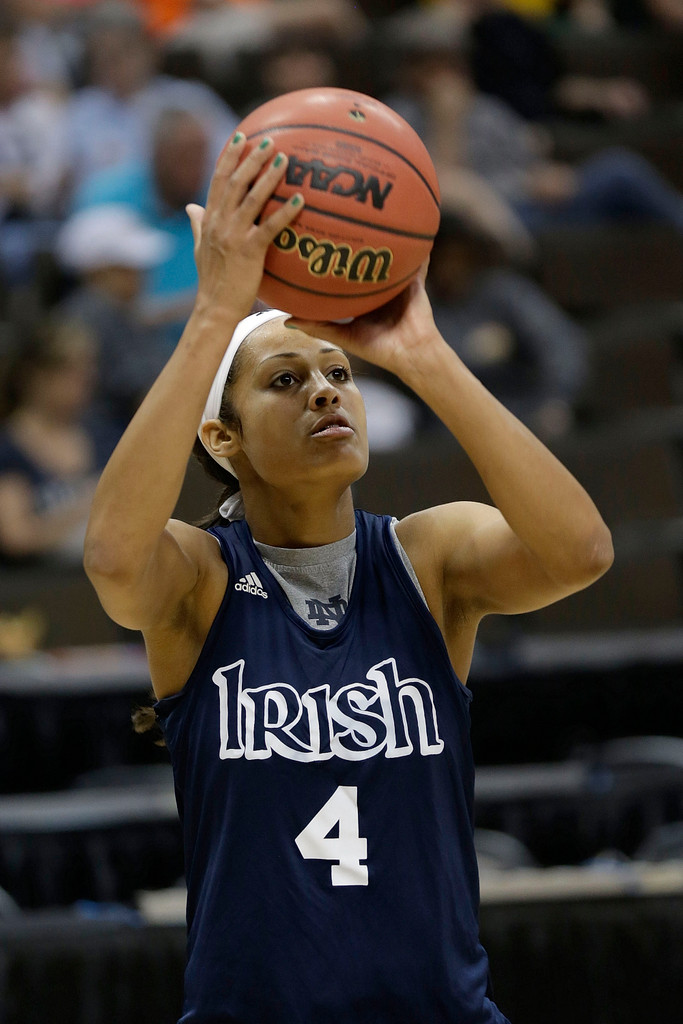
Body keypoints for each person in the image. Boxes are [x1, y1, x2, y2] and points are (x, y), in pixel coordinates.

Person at [83, 133, 613, 1023]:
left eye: (338, 373)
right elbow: (110, 560)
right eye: (285, 381)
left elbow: (580, 554)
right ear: (223, 439)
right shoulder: (202, 581)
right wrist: (215, 314)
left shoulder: (428, 556)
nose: (326, 391)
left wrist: (423, 355)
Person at [0, 315, 121, 565]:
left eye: (88, 367)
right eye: (70, 370)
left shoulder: (104, 435)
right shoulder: (10, 447)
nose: (86, 379)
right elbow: (17, 537)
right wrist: (87, 503)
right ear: (36, 376)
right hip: (40, 588)